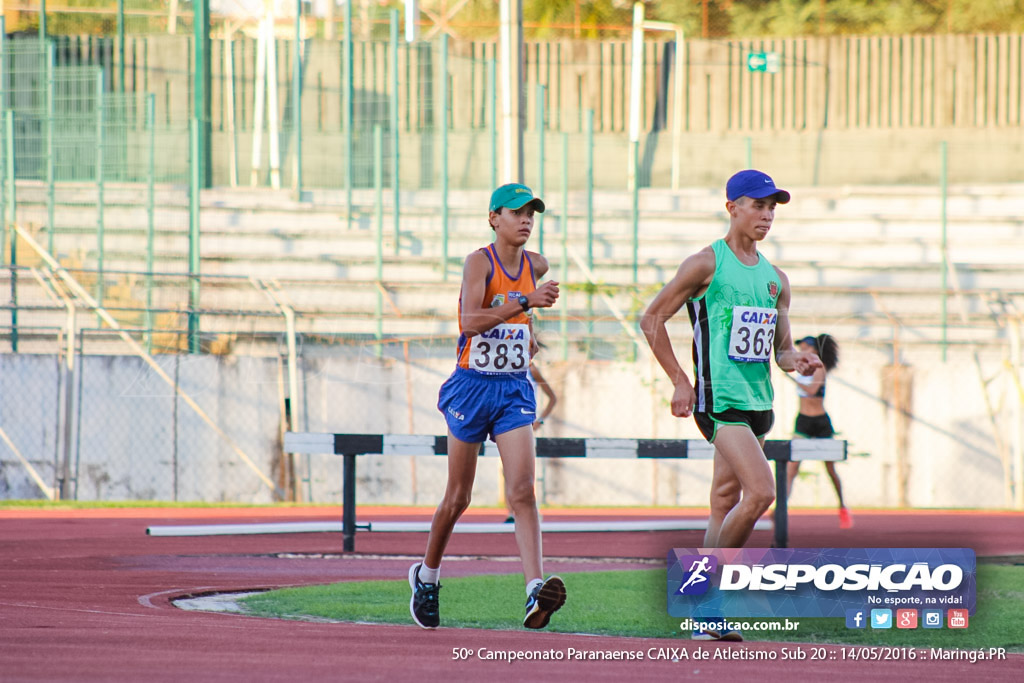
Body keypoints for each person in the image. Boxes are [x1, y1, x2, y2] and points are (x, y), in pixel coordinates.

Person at [640, 169, 822, 642]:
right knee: (760, 493)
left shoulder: (776, 280)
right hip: (719, 401)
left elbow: (780, 351)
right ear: (732, 208)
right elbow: (652, 318)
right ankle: (708, 601)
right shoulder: (706, 264)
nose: (766, 215)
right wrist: (681, 380)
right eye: (758, 205)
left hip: (760, 403)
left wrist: (797, 360)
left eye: (772, 207)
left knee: (724, 500)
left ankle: (701, 611)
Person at [409, 183, 566, 631]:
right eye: (516, 212)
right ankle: (428, 576)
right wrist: (523, 302)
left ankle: (534, 588)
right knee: (458, 497)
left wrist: (527, 335)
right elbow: (470, 321)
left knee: (523, 491)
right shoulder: (479, 261)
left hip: (514, 389)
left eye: (531, 214)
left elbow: (521, 318)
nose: (526, 221)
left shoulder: (537, 265)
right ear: (493, 217)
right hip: (472, 389)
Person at [786, 333, 852, 529]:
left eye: (806, 347)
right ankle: (781, 508)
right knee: (791, 468)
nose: (802, 350)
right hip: (803, 421)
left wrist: (790, 378)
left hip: (820, 422)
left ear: (814, 349)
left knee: (830, 468)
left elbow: (812, 390)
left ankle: (842, 506)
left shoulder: (819, 368)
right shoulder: (801, 369)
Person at [504, 345, 558, 523]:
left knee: (524, 472)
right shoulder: (503, 368)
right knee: (506, 470)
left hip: (525, 423)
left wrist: (540, 420)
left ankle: (528, 511)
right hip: (505, 424)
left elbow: (552, 398)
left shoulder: (532, 369)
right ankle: (511, 512)